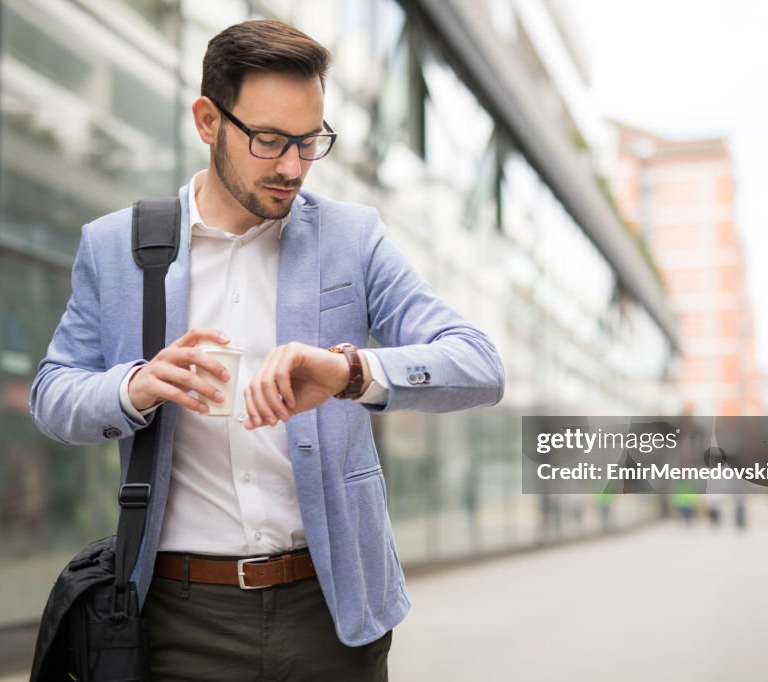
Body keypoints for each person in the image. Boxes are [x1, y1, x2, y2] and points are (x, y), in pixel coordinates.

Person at [30, 19, 504, 681]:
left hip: (332, 611)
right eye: (271, 140)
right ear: (206, 120)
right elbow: (52, 395)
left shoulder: (351, 237)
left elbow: (479, 364)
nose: (292, 167)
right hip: (177, 616)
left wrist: (350, 370)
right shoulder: (118, 247)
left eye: (310, 143)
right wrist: (137, 386)